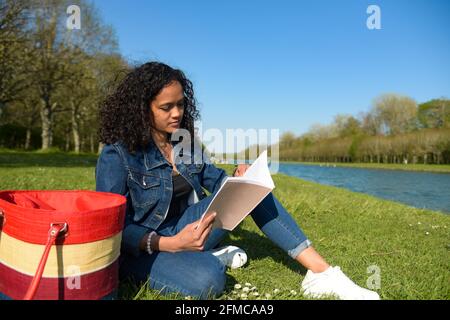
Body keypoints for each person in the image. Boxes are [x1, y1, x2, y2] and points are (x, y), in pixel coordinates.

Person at [95, 61, 380, 300]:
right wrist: (169, 245)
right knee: (208, 281)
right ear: (142, 109)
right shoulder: (117, 153)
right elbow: (110, 226)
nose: (177, 114)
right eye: (166, 107)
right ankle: (209, 257)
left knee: (250, 189)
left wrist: (237, 178)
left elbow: (216, 179)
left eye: (181, 104)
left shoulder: (184, 143)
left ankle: (321, 273)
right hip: (144, 247)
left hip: (188, 227)